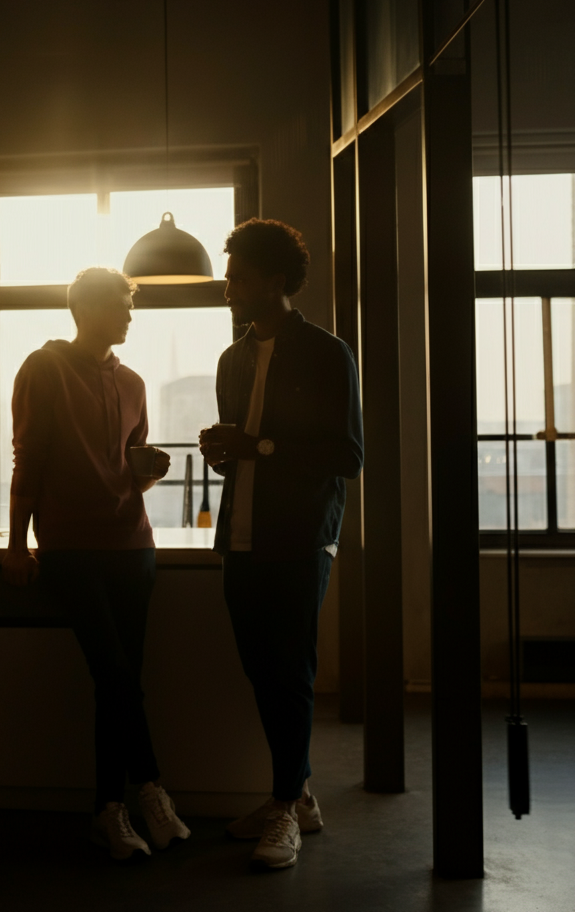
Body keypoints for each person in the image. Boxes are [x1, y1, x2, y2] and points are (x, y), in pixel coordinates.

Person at [2, 266, 190, 862]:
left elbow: (127, 471)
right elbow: (28, 459)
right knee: (116, 677)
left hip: (133, 548)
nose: (129, 316)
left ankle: (109, 811)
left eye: (130, 307)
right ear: (82, 309)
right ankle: (151, 790)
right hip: (71, 549)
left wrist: (148, 472)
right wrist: (15, 545)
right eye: (119, 305)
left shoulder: (133, 381)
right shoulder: (44, 368)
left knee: (120, 683)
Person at [199, 219, 363, 871]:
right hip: (238, 540)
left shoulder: (327, 354)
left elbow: (347, 456)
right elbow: (239, 454)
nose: (228, 287)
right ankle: (294, 798)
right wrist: (223, 453)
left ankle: (285, 806)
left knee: (290, 676)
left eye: (237, 276)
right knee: (263, 674)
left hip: (298, 542)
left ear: (273, 280)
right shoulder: (231, 359)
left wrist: (258, 447)